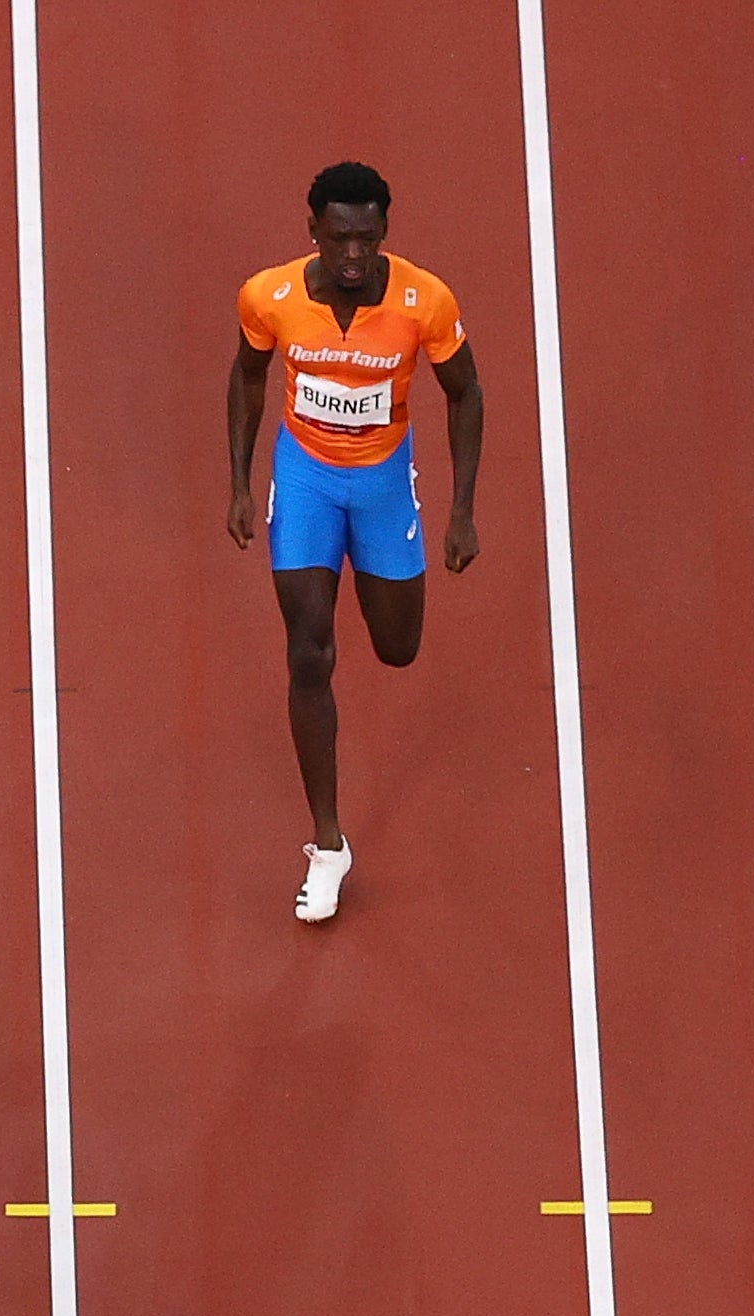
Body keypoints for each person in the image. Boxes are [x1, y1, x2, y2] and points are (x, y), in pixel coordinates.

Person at [228, 159, 483, 921]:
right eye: (338, 238)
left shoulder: (422, 301)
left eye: (366, 240)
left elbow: (466, 391)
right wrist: (240, 482)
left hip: (379, 483)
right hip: (305, 478)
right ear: (312, 230)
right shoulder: (268, 296)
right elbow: (246, 378)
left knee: (397, 647)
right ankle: (328, 843)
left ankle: (384, 576)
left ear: (384, 235)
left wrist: (462, 509)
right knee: (310, 648)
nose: (351, 257)